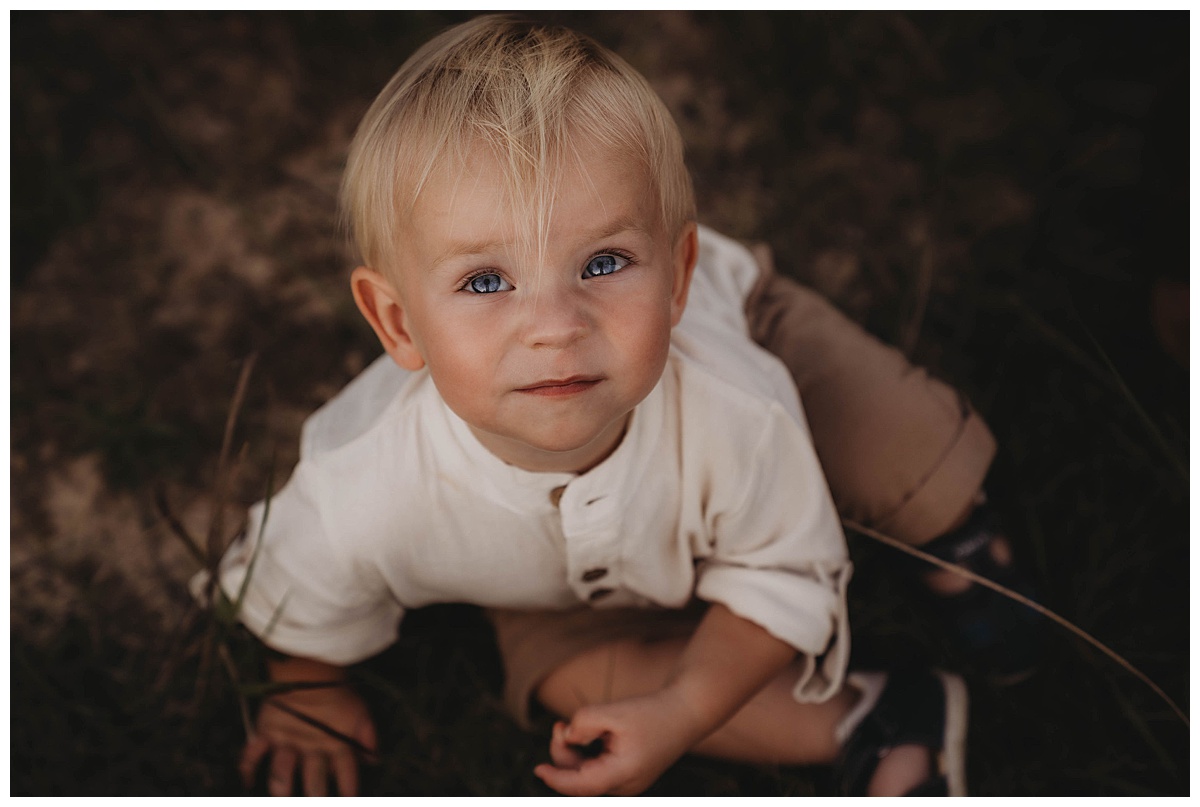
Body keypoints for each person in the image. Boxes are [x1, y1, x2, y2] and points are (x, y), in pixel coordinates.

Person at [207, 14, 1034, 797]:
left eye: (603, 262)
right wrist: (307, 684)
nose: (557, 329)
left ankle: (956, 531)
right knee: (580, 684)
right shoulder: (364, 485)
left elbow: (782, 569)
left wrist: (688, 703)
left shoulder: (740, 411)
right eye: (486, 281)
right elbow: (294, 582)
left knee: (896, 446)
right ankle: (881, 715)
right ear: (396, 321)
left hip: (748, 327)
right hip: (553, 593)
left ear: (674, 272)